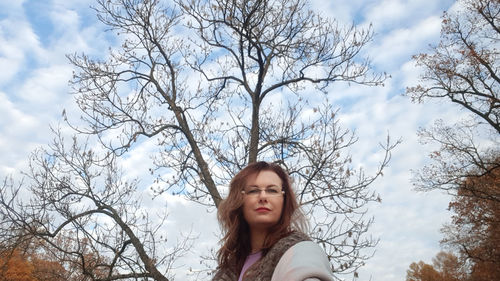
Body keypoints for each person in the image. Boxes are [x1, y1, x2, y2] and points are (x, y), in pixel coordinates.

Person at [212, 161, 334, 281]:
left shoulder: (300, 252)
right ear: (240, 200)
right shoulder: (229, 267)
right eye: (253, 190)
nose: (263, 197)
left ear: (284, 200)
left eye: (272, 190)